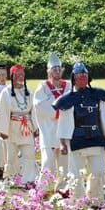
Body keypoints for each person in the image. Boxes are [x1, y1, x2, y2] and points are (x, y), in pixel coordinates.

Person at [53, 61, 105, 203]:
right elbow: (63, 122)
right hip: (76, 140)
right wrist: (62, 143)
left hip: (96, 139)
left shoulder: (97, 96)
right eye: (79, 76)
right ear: (74, 78)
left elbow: (103, 118)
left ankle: (95, 200)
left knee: (98, 172)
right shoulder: (68, 100)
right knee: (75, 174)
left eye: (85, 76)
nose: (82, 79)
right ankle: (77, 201)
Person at [0, 65, 38, 187]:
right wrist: (2, 130)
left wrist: (35, 128)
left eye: (22, 75)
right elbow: (2, 111)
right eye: (17, 75)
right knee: (11, 156)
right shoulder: (6, 92)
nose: (20, 77)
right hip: (11, 128)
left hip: (26, 128)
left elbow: (33, 111)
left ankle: (28, 180)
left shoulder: (29, 92)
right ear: (12, 77)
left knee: (29, 154)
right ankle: (12, 179)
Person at [34, 53, 71, 193]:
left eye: (58, 69)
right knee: (47, 161)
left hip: (63, 129)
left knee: (64, 162)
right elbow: (39, 105)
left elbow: (70, 102)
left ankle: (62, 188)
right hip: (48, 129)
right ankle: (43, 189)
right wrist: (57, 107)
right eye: (54, 69)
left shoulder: (67, 85)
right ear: (48, 71)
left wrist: (58, 105)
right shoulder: (43, 86)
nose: (56, 71)